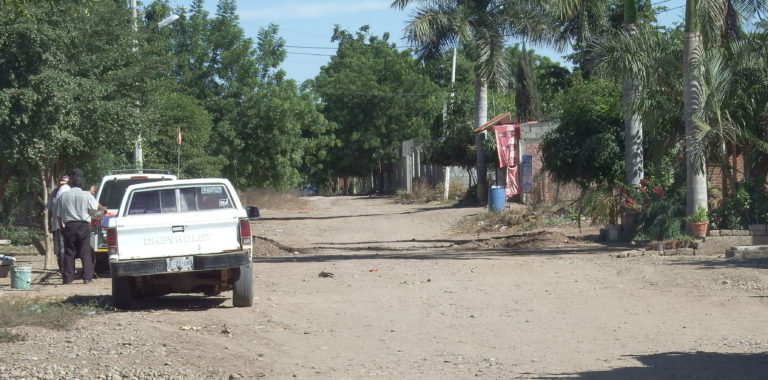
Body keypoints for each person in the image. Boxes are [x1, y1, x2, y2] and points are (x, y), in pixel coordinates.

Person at [56, 170, 106, 284]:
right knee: (85, 252)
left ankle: (68, 279)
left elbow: (58, 215)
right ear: (82, 185)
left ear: (70, 184)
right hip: (83, 225)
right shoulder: (87, 195)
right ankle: (87, 278)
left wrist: (62, 227)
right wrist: (104, 213)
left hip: (69, 226)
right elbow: (95, 211)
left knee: (69, 252)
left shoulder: (63, 196)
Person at [46, 175, 70, 272]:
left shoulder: (68, 191)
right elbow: (50, 210)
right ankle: (62, 268)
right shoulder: (54, 193)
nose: (62, 185)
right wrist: (49, 223)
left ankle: (66, 268)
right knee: (61, 248)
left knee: (65, 247)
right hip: (58, 225)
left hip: (67, 224)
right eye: (61, 183)